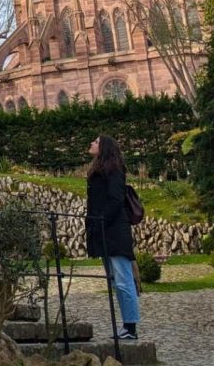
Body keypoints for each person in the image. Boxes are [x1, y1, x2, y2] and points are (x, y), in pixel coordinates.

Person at [85, 134, 140, 341]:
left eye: (96, 141)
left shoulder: (114, 170)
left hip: (114, 232)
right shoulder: (100, 170)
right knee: (116, 281)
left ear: (104, 147)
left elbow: (115, 199)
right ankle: (127, 325)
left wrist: (100, 220)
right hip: (104, 232)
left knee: (123, 280)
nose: (91, 143)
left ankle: (131, 326)